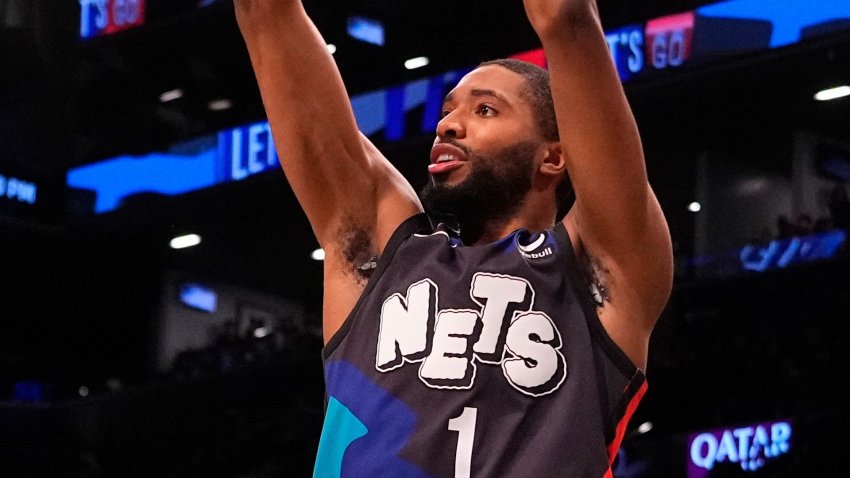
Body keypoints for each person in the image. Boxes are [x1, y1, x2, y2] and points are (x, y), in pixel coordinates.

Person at [234, 0, 673, 476]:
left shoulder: (599, 266)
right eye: (447, 111)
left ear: (554, 157)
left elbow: (567, 19)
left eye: (485, 110)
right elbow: (264, 13)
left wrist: (563, 22)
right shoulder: (385, 255)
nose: (447, 125)